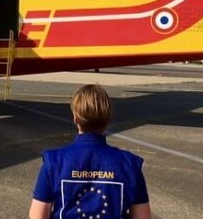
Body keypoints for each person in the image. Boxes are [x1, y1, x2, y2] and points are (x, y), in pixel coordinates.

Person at [29, 84, 151, 219]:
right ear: (108, 119)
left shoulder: (54, 162)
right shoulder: (130, 165)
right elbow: (142, 216)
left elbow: (38, 215)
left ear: (75, 117)